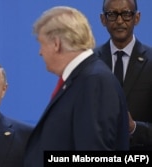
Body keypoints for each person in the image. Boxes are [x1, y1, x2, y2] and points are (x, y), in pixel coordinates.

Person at [24, 6, 129, 167]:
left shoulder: (93, 82)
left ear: (56, 44)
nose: (40, 52)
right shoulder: (82, 78)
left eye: (41, 44)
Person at [94, 0, 152, 150]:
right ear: (103, 19)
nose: (119, 21)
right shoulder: (90, 61)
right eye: (112, 14)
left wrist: (134, 128)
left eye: (126, 14)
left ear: (137, 18)